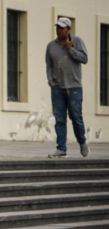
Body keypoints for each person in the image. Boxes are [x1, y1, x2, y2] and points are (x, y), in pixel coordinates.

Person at [46, 17, 89, 158]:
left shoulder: (77, 41)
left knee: (76, 117)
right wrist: (50, 81)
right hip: (57, 87)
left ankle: (82, 141)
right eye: (57, 27)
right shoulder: (51, 46)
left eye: (62, 28)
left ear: (68, 29)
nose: (59, 30)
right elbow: (49, 65)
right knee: (59, 118)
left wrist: (70, 49)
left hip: (74, 87)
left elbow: (84, 59)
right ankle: (61, 148)